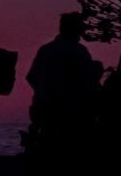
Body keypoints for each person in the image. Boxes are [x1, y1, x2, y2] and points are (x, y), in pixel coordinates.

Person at [26, 12, 98, 155]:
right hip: (70, 113)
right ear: (77, 29)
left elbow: (31, 77)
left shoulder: (46, 50)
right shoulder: (79, 52)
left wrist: (43, 92)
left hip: (44, 110)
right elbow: (88, 83)